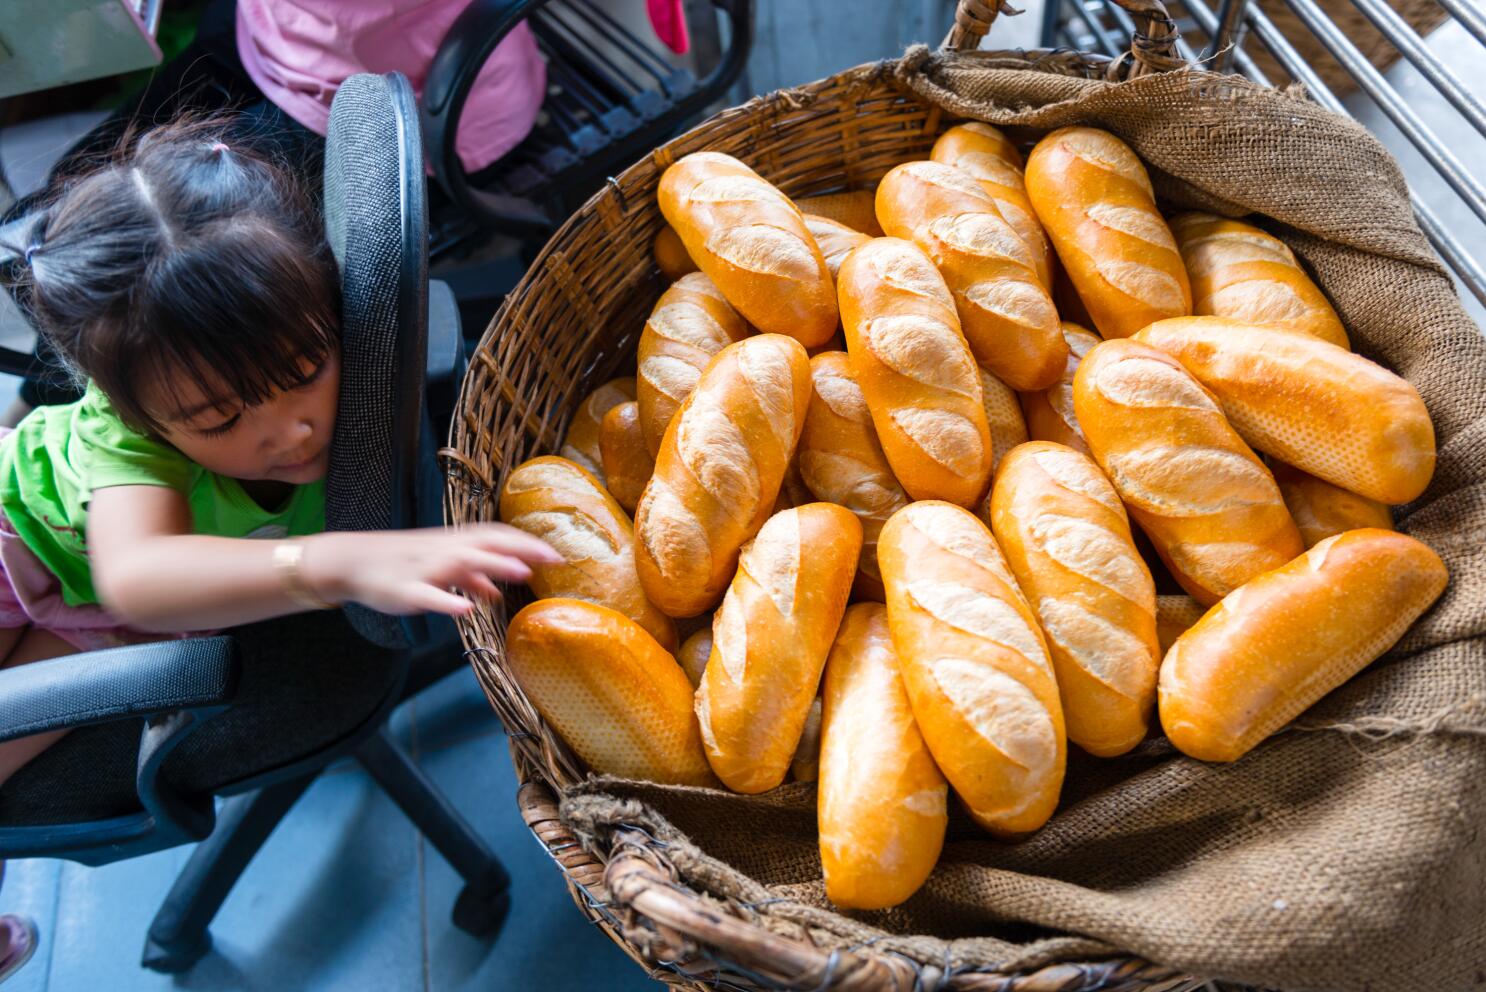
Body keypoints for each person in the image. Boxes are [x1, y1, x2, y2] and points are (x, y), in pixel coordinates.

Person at [0, 117, 561, 785]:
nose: (291, 431)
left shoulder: (310, 307)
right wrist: (332, 562)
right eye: (217, 418)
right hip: (23, 546)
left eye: (302, 373)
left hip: (97, 610)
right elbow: (137, 574)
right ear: (139, 417)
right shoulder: (126, 434)